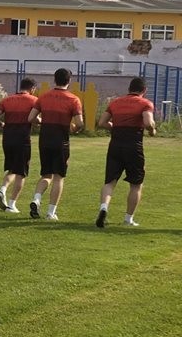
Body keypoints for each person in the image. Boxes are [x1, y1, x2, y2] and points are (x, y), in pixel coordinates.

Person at [95, 76, 157, 228]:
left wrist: (115, 127)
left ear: (129, 89)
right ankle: (128, 219)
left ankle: (104, 207)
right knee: (136, 183)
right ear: (144, 90)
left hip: (115, 145)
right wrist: (152, 130)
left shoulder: (115, 102)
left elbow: (102, 123)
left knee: (110, 181)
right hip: (133, 146)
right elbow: (148, 122)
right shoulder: (145, 103)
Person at [27, 68, 84, 221]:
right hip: (61, 141)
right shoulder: (73, 99)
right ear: (69, 80)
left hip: (44, 140)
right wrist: (74, 128)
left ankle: (36, 199)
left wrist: (41, 121)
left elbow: (31, 117)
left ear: (55, 79)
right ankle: (51, 213)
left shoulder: (44, 97)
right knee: (59, 177)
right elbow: (79, 123)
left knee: (46, 174)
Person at [0, 77, 39, 213]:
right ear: (32, 88)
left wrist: (2, 124)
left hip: (7, 138)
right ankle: (12, 205)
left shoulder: (6, 99)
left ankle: (2, 190)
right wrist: (40, 121)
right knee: (21, 173)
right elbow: (34, 118)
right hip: (22, 139)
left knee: (12, 168)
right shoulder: (33, 100)